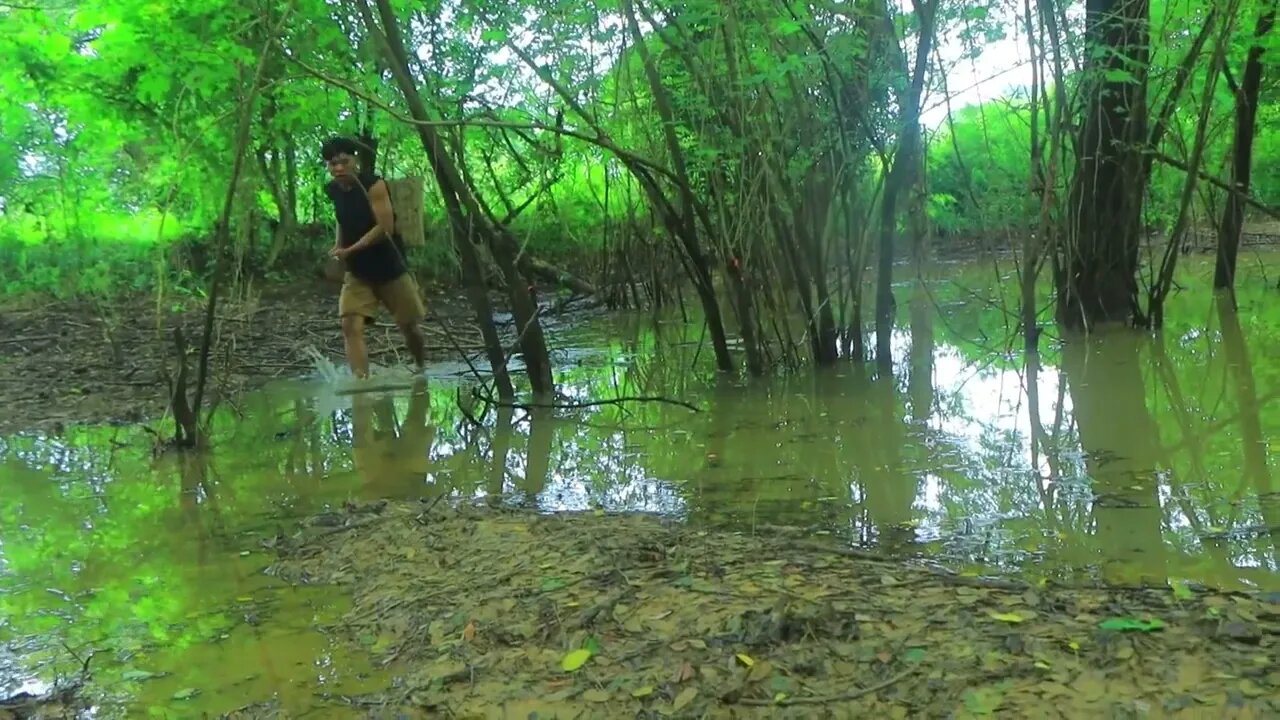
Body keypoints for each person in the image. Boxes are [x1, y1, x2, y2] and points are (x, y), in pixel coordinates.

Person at [321, 136, 427, 378]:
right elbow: (341, 217)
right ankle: (361, 383)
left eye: (343, 161)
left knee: (409, 326)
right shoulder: (334, 189)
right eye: (331, 164)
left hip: (390, 267)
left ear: (354, 160)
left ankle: (421, 369)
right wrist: (339, 245)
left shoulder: (373, 185)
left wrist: (351, 249)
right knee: (350, 324)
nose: (338, 168)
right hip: (358, 271)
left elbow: (384, 227)